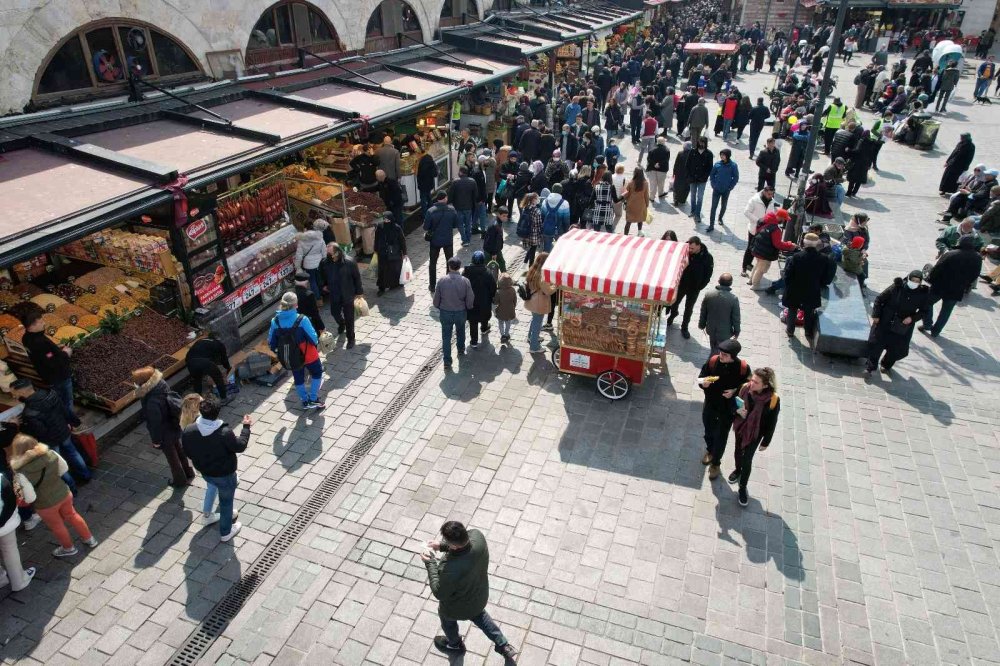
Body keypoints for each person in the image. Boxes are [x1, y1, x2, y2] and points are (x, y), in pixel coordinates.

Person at [422, 520, 519, 661]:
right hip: (479, 596)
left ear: (453, 545)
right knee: (481, 617)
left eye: (446, 541)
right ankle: (503, 645)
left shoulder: (450, 568)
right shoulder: (478, 536)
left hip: (455, 607)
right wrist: (442, 546)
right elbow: (463, 546)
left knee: (447, 619)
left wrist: (430, 563)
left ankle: (455, 645)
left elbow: (439, 593)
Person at [10, 434, 97, 558]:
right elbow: (63, 469)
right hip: (64, 493)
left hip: (45, 504)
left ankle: (68, 548)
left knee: (57, 526)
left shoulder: (21, 473)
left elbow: (30, 498)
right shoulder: (50, 453)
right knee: (72, 515)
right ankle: (90, 539)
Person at [181, 396, 251, 542]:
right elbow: (240, 446)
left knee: (212, 488)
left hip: (206, 472)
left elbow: (187, 451)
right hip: (225, 474)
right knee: (226, 502)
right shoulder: (224, 432)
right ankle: (226, 532)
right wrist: (246, 427)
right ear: (218, 412)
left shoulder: (189, 429)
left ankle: (209, 515)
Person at [9, 378, 91, 490]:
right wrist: (75, 423)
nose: (14, 396)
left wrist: (19, 425)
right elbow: (65, 411)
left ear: (22, 392)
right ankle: (86, 475)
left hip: (50, 441)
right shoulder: (50, 394)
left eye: (14, 393)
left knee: (56, 464)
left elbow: (39, 432)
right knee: (73, 452)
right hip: (63, 431)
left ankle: (71, 487)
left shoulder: (29, 412)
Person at [12, 303, 81, 429]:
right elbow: (52, 362)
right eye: (41, 321)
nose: (44, 323)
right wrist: (66, 353)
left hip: (48, 376)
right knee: (66, 401)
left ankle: (68, 423)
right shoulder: (39, 342)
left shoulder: (26, 338)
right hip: (59, 376)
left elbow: (46, 356)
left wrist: (56, 351)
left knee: (61, 400)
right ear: (33, 325)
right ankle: (71, 425)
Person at [698, 339, 751, 481]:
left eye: (725, 355)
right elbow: (701, 376)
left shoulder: (743, 368)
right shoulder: (713, 361)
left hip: (728, 409)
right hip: (710, 404)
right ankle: (710, 450)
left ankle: (716, 463)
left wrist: (734, 391)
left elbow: (748, 387)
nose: (721, 356)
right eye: (721, 353)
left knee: (721, 436)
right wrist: (704, 384)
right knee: (708, 429)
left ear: (733, 356)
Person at [729, 368, 781, 507]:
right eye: (752, 379)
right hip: (740, 427)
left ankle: (742, 487)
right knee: (738, 451)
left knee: (747, 459)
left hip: (755, 433)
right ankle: (737, 470)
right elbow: (733, 404)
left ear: (765, 385)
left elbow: (772, 422)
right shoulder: (744, 388)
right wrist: (737, 411)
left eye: (756, 382)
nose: (751, 383)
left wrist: (766, 441)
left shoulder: (772, 399)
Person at [268, 292, 325, 408]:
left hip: (290, 356)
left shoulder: (275, 321)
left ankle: (305, 401)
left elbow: (271, 342)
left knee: (298, 378)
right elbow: (313, 338)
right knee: (317, 372)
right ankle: (313, 398)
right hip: (308, 353)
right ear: (295, 305)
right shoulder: (302, 319)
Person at [867, 270, 931, 374]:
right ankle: (870, 367)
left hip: (903, 326)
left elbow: (924, 311)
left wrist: (912, 318)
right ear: (908, 279)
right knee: (876, 344)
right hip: (886, 320)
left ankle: (886, 365)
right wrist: (876, 315)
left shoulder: (922, 294)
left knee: (896, 349)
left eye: (917, 281)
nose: (914, 283)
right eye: (912, 280)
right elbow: (879, 299)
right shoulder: (897, 287)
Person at [920, 236, 984, 338]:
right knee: (946, 311)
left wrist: (930, 280)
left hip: (939, 286)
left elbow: (937, 269)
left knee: (926, 303)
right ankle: (936, 331)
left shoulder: (950, 254)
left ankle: (927, 324)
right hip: (957, 289)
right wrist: (965, 284)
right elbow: (975, 274)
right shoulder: (977, 257)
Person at [781, 233, 836, 342]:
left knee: (792, 309)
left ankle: (790, 330)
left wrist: (788, 286)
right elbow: (826, 276)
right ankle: (808, 331)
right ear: (816, 244)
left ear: (804, 243)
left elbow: (788, 275)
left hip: (795, 288)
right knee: (809, 311)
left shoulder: (796, 257)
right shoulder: (823, 258)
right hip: (812, 289)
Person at [668, 237, 714, 339]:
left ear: (698, 245)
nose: (690, 250)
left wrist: (700, 286)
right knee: (674, 302)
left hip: (694, 287)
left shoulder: (707, 257)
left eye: (692, 248)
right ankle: (673, 315)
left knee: (689, 308)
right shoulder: (685, 251)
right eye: (689, 248)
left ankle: (685, 327)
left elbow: (708, 274)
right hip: (682, 284)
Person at [434, 257, 475, 369]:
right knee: (461, 331)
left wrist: (439, 307)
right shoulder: (465, 281)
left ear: (449, 267)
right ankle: (461, 349)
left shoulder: (442, 280)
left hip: (445, 312)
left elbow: (436, 300)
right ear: (459, 267)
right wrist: (468, 307)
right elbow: (470, 298)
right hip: (460, 312)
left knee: (446, 337)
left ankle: (447, 361)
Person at [0, 470, 35, 590]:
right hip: (5, 525)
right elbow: (10, 504)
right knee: (10, 551)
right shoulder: (2, 480)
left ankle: (1, 579)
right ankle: (19, 581)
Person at [749, 210, 796, 289]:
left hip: (757, 248)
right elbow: (777, 244)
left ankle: (750, 280)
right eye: (784, 219)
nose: (784, 221)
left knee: (758, 265)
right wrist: (790, 245)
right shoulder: (776, 229)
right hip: (765, 252)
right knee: (761, 269)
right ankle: (755, 285)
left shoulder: (764, 220)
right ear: (780, 217)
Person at [424, 192, 459, 293]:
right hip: (448, 240)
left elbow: (426, 227)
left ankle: (432, 285)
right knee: (450, 262)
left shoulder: (430, 211)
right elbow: (455, 225)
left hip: (435, 241)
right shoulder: (452, 210)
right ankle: (449, 283)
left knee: (433, 263)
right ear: (445, 198)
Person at [699, 274, 741, 354]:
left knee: (713, 346)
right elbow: (736, 318)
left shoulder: (709, 294)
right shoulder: (733, 299)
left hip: (711, 329)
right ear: (730, 284)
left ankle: (713, 356)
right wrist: (737, 331)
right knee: (721, 350)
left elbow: (703, 311)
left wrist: (701, 324)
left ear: (719, 281)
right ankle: (714, 361)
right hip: (725, 332)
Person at [463, 252, 497, 349]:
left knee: (473, 322)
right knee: (484, 316)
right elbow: (493, 288)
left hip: (470, 302)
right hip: (484, 302)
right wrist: (491, 297)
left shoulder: (466, 273)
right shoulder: (488, 273)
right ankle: (484, 328)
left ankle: (474, 341)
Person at [185, 334, 233, 401]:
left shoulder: (200, 341)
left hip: (190, 361)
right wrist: (228, 368)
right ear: (217, 339)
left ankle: (198, 401)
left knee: (197, 380)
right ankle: (224, 398)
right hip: (203, 361)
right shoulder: (219, 343)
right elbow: (224, 359)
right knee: (218, 377)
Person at [524, 252, 556, 353]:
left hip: (532, 301)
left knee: (534, 321)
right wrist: (556, 285)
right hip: (539, 303)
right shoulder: (542, 276)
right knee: (537, 324)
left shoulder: (533, 270)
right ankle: (534, 347)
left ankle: (531, 337)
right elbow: (548, 291)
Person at [742, 186, 776, 277]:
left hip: (764, 230)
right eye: (769, 194)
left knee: (759, 249)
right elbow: (746, 212)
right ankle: (744, 268)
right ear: (764, 192)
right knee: (750, 248)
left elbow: (771, 213)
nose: (771, 196)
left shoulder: (772, 201)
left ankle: (752, 268)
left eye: (772, 194)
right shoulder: (754, 200)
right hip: (754, 228)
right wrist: (757, 220)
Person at [374, 215, 406, 295]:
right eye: (384, 219)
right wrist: (376, 249)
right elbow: (376, 239)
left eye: (388, 220)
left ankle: (395, 284)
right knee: (383, 270)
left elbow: (402, 240)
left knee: (395, 268)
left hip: (395, 252)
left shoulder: (397, 228)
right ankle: (382, 287)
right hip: (383, 253)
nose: (386, 221)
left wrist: (404, 252)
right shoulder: (380, 227)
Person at [708, 149, 739, 231]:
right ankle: (711, 225)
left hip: (726, 190)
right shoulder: (717, 164)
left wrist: (730, 187)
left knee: (724, 206)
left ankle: (720, 218)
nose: (721, 156)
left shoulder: (733, 166)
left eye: (723, 155)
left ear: (728, 156)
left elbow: (735, 177)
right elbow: (712, 175)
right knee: (713, 207)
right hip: (716, 189)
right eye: (721, 154)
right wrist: (713, 185)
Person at [449, 166, 478, 246]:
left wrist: (449, 203)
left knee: (460, 224)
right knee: (468, 223)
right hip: (468, 207)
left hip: (458, 207)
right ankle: (467, 239)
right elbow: (475, 195)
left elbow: (451, 194)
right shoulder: (472, 181)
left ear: (461, 172)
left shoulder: (455, 182)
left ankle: (464, 239)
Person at [687, 137, 713, 225]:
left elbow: (710, 168)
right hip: (693, 178)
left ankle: (697, 214)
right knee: (693, 196)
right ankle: (693, 211)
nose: (701, 144)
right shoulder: (693, 151)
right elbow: (688, 164)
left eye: (703, 143)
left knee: (700, 197)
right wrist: (689, 175)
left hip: (702, 180)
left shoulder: (709, 154)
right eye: (700, 142)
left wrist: (704, 177)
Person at [293, 271, 325, 336]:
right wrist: (321, 327)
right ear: (306, 283)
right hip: (308, 323)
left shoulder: (290, 293)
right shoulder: (309, 294)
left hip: (295, 325)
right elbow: (314, 312)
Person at [623, 167, 650, 237]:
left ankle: (625, 234)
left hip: (631, 204)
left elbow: (626, 194)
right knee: (640, 219)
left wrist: (625, 201)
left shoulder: (631, 183)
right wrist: (647, 204)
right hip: (641, 205)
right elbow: (646, 195)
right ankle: (639, 232)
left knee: (628, 221)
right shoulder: (645, 183)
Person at [494, 273, 517, 345]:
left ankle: (502, 335)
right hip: (510, 310)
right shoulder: (513, 290)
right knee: (508, 322)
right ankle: (507, 334)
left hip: (501, 310)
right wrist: (513, 306)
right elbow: (515, 300)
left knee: (500, 322)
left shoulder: (498, 292)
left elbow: (496, 302)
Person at [483, 206, 507, 272]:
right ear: (499, 214)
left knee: (502, 262)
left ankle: (505, 277)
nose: (505, 218)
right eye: (504, 216)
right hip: (490, 250)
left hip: (496, 249)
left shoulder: (498, 222)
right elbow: (491, 241)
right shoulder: (495, 225)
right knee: (488, 267)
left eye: (506, 216)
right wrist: (494, 253)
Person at [416, 149, 439, 218]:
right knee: (428, 197)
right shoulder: (429, 158)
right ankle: (432, 210)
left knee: (423, 200)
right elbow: (434, 172)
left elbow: (421, 174)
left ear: (420, 154)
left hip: (423, 184)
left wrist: (417, 173)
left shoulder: (422, 162)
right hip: (429, 183)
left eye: (417, 154)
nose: (416, 155)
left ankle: (425, 215)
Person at [672, 141, 692, 207]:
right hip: (688, 175)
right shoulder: (693, 154)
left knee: (676, 187)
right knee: (686, 188)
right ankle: (682, 200)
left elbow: (676, 164)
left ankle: (676, 200)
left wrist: (674, 172)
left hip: (679, 174)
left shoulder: (680, 153)